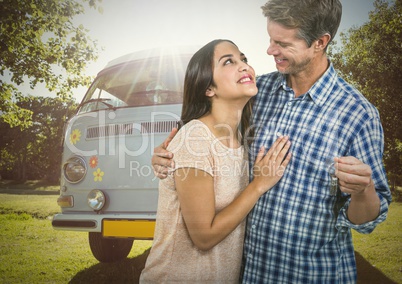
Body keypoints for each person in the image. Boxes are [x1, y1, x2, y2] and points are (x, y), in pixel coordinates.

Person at [151, 1, 392, 283]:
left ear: (320, 42)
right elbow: (211, 135)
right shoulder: (256, 92)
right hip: (248, 274)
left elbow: (367, 221)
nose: (269, 50)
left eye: (282, 43)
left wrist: (363, 192)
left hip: (310, 276)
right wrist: (169, 158)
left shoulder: (358, 114)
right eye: (269, 39)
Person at [140, 39, 291, 283]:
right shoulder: (196, 137)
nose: (244, 66)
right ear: (209, 89)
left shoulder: (241, 139)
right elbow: (204, 237)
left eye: (244, 59)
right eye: (229, 61)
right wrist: (259, 185)